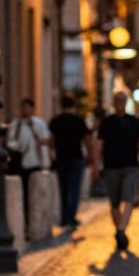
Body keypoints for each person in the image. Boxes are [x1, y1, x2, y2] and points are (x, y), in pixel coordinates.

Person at [92, 91, 139, 251]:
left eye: (122, 100)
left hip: (130, 167)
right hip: (111, 167)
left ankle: (121, 230)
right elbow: (98, 144)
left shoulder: (135, 122)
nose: (119, 103)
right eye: (117, 100)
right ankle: (120, 230)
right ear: (113, 102)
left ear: (126, 102)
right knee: (114, 203)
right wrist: (95, 165)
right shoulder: (106, 122)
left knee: (129, 199)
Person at [6, 97, 51, 235]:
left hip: (35, 163)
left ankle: (36, 224)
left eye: (27, 107)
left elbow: (46, 140)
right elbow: (10, 142)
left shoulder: (39, 124)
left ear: (32, 109)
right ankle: (24, 224)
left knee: (36, 196)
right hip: (20, 164)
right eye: (23, 107)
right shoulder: (16, 125)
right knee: (23, 194)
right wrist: (19, 147)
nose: (25, 110)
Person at [49, 95, 91, 230]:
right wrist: (90, 156)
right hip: (76, 158)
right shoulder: (79, 121)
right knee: (74, 189)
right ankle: (71, 218)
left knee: (63, 189)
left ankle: (64, 218)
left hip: (61, 158)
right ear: (73, 106)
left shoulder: (56, 121)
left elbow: (51, 141)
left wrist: (52, 155)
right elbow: (87, 140)